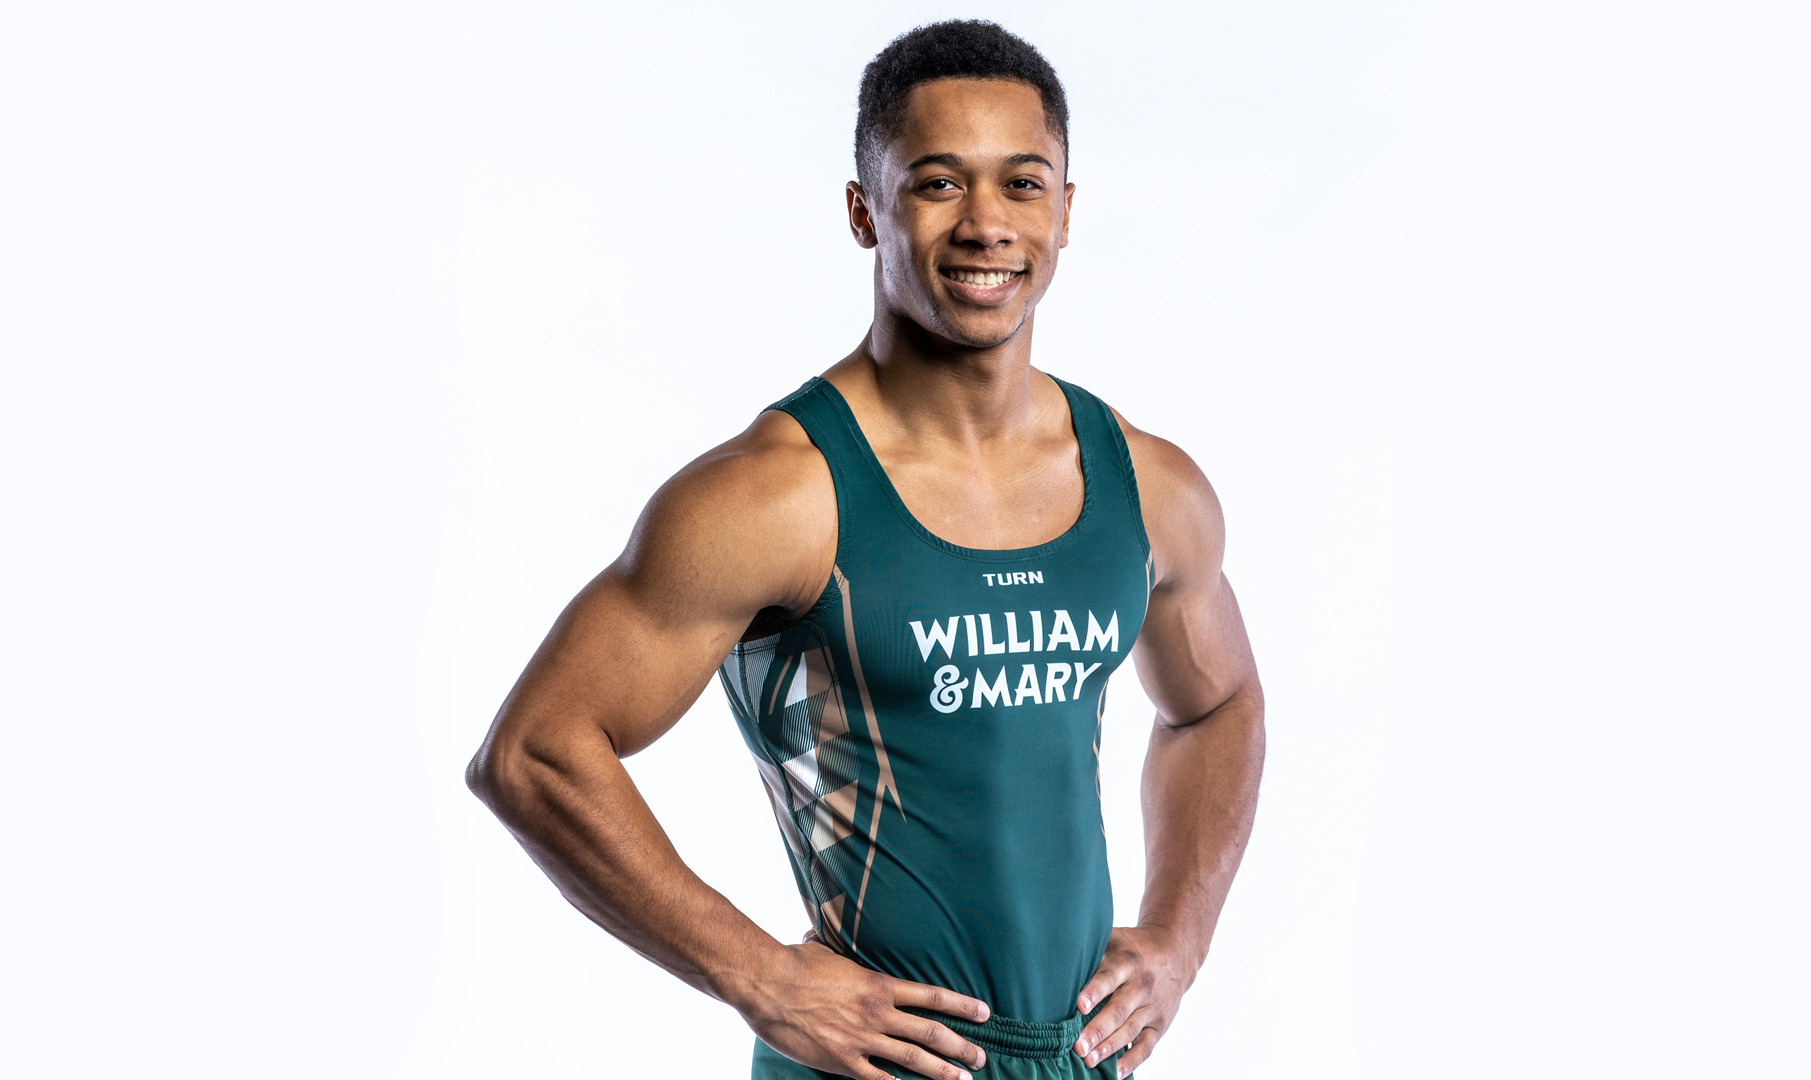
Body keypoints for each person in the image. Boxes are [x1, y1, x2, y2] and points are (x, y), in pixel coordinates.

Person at [467, 20, 1264, 1080]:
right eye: (938, 183)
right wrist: (758, 977)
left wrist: (1179, 941)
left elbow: (1218, 705)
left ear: (1066, 210)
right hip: (869, 1064)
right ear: (864, 210)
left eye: (1023, 184)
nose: (987, 225)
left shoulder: (1148, 485)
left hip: (1080, 1060)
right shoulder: (775, 495)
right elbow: (533, 753)